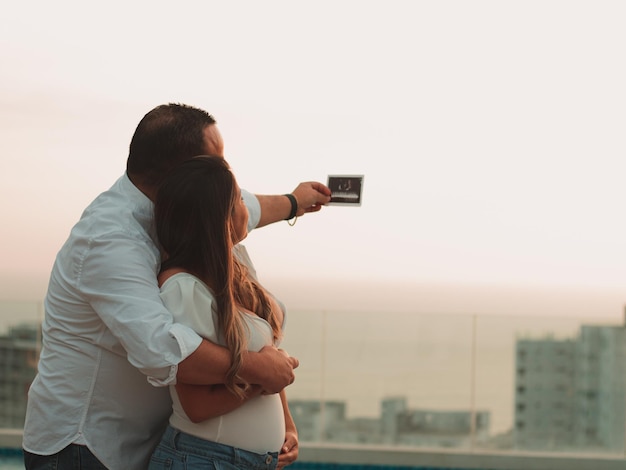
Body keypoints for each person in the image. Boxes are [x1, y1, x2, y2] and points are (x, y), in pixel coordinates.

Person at [23, 103, 331, 470]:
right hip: (86, 447)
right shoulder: (110, 239)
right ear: (183, 175)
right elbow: (165, 352)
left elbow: (246, 206)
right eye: (216, 163)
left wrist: (296, 202)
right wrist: (262, 370)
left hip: (151, 441)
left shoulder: (189, 212)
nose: (224, 174)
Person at [149, 156, 297, 469]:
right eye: (241, 199)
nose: (247, 206)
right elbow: (196, 406)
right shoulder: (183, 289)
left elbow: (267, 355)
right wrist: (267, 378)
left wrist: (288, 426)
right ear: (222, 218)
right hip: (204, 459)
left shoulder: (237, 266)